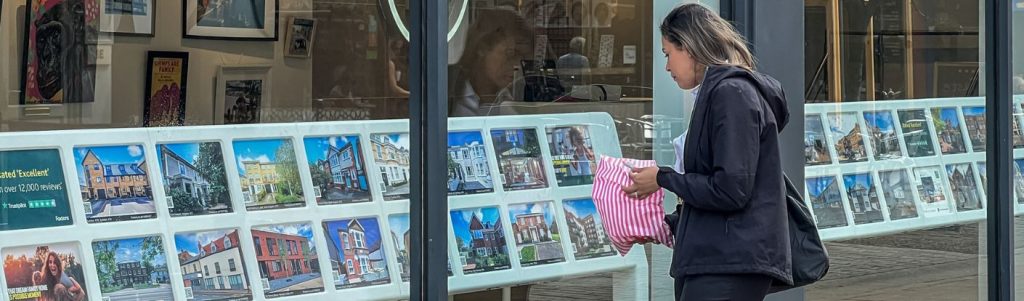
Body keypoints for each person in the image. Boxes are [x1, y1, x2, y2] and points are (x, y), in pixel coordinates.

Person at [621, 4, 792, 301]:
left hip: (730, 260)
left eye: (667, 54)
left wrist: (662, 178)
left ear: (687, 47)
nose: (666, 67)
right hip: (718, 256)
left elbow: (730, 190)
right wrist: (667, 224)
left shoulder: (731, 94)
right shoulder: (718, 93)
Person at [448, 8, 533, 117]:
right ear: (482, 47)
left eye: (522, 57)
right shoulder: (446, 87)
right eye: (510, 54)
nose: (517, 65)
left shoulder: (517, 98)